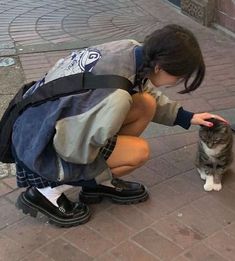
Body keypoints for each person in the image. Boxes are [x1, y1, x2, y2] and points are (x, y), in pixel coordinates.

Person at [13, 24, 227, 227]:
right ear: (160, 66)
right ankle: (46, 192)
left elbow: (143, 88)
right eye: (178, 77)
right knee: (138, 152)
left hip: (43, 119)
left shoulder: (132, 51)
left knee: (145, 103)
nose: (176, 83)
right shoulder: (116, 95)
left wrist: (186, 117)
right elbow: (74, 149)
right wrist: (96, 173)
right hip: (40, 145)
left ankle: (96, 186)